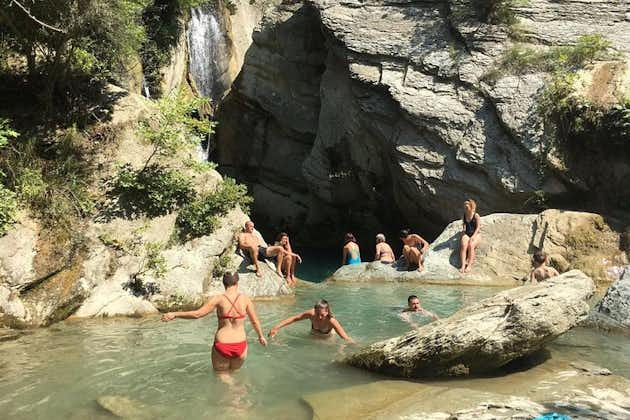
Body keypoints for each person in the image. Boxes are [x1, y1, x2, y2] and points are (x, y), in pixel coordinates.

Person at [161, 272, 267, 372]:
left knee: (222, 376)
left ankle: (231, 386)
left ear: (224, 283)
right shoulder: (245, 299)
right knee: (235, 374)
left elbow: (197, 314)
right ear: (237, 283)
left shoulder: (218, 299)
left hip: (223, 344)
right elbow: (255, 321)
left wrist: (175, 314)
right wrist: (261, 336)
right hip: (240, 345)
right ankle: (238, 389)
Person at [268, 299, 353, 342]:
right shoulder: (311, 314)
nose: (319, 317)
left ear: (327, 312)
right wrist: (276, 328)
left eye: (322, 315)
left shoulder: (331, 321)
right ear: (314, 311)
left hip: (327, 339)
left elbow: (345, 338)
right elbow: (294, 318)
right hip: (313, 335)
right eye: (317, 314)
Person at [460, 199, 481, 273]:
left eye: (467, 207)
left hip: (476, 233)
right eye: (465, 207)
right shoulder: (464, 215)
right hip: (467, 233)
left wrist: (474, 236)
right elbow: (464, 226)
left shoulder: (476, 215)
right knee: (463, 245)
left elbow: (478, 227)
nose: (465, 208)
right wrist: (463, 234)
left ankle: (469, 265)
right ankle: (463, 265)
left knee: (471, 245)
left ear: (471, 207)